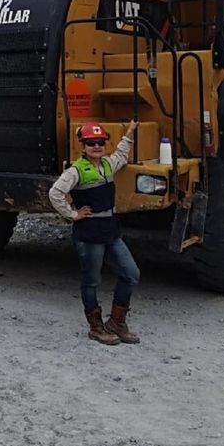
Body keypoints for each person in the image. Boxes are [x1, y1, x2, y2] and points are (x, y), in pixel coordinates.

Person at [48, 120, 141, 346]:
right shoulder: (76, 171)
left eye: (100, 142)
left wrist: (129, 133)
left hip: (110, 232)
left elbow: (121, 153)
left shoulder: (108, 165)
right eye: (91, 143)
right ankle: (96, 327)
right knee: (91, 281)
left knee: (131, 274)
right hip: (89, 235)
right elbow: (55, 193)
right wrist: (72, 214)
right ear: (83, 146)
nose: (97, 146)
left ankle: (116, 323)